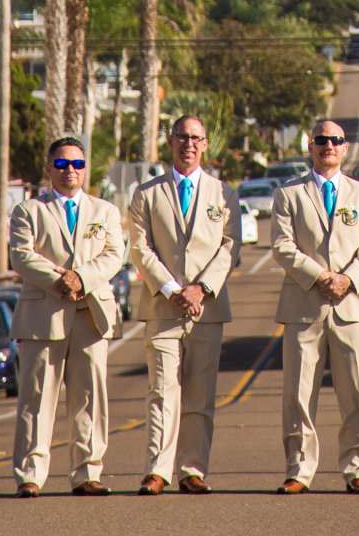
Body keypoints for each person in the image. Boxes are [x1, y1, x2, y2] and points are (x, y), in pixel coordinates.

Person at [127, 115, 242, 494]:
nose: (188, 144)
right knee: (162, 391)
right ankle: (157, 470)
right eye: (181, 137)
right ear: (170, 141)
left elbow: (230, 247)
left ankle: (192, 469)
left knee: (200, 394)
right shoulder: (146, 194)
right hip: (162, 308)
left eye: (195, 138)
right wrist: (173, 288)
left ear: (205, 144)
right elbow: (140, 249)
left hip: (207, 310)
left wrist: (201, 289)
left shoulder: (224, 194)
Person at [7, 137, 125, 496]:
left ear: (86, 168)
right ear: (49, 169)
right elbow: (22, 256)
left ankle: (87, 472)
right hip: (45, 315)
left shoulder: (105, 211)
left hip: (91, 314)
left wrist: (82, 279)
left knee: (89, 398)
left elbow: (114, 254)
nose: (70, 171)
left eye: (77, 164)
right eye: (61, 164)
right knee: (38, 397)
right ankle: (30, 474)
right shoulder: (28, 211)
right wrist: (63, 280)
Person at [270, 119, 359, 494]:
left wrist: (347, 279)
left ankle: (358, 467)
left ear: (345, 148)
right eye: (321, 140)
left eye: (335, 141)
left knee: (357, 392)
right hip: (305, 304)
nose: (328, 146)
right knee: (299, 395)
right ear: (311, 146)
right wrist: (321, 277)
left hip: (350, 305)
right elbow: (283, 246)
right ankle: (298, 469)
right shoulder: (289, 193)